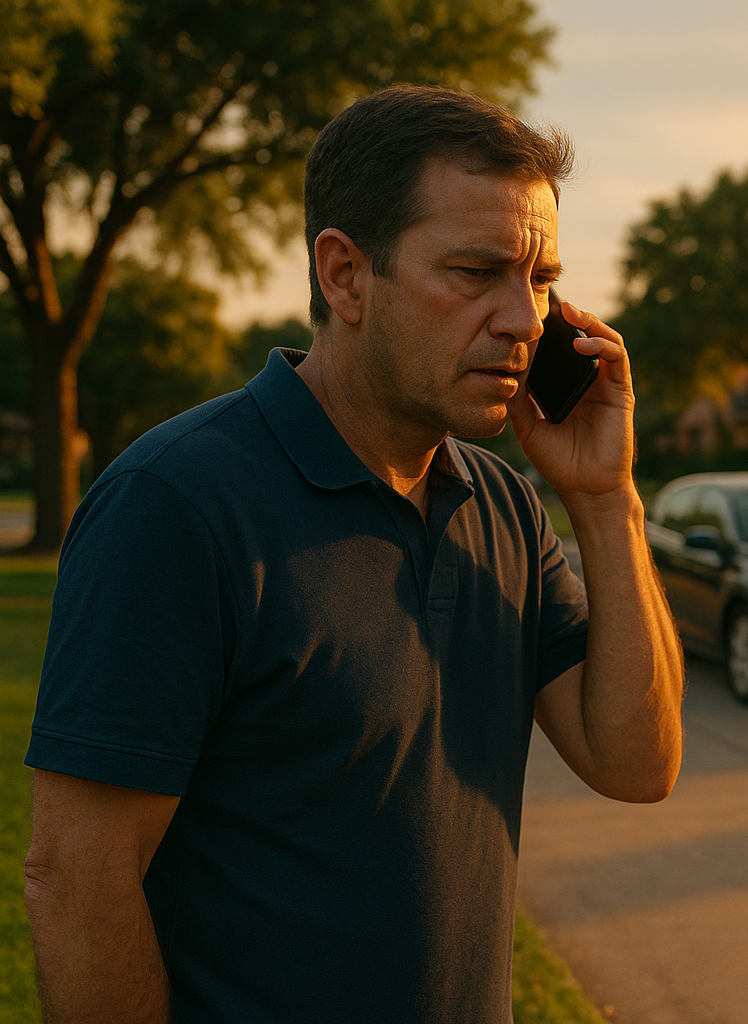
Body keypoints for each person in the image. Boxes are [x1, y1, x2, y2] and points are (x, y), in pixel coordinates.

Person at [23, 85, 685, 1023]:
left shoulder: (502, 501)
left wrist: (606, 499)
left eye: (538, 280)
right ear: (344, 276)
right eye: (476, 272)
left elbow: (638, 763)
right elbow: (77, 877)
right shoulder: (174, 504)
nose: (526, 321)